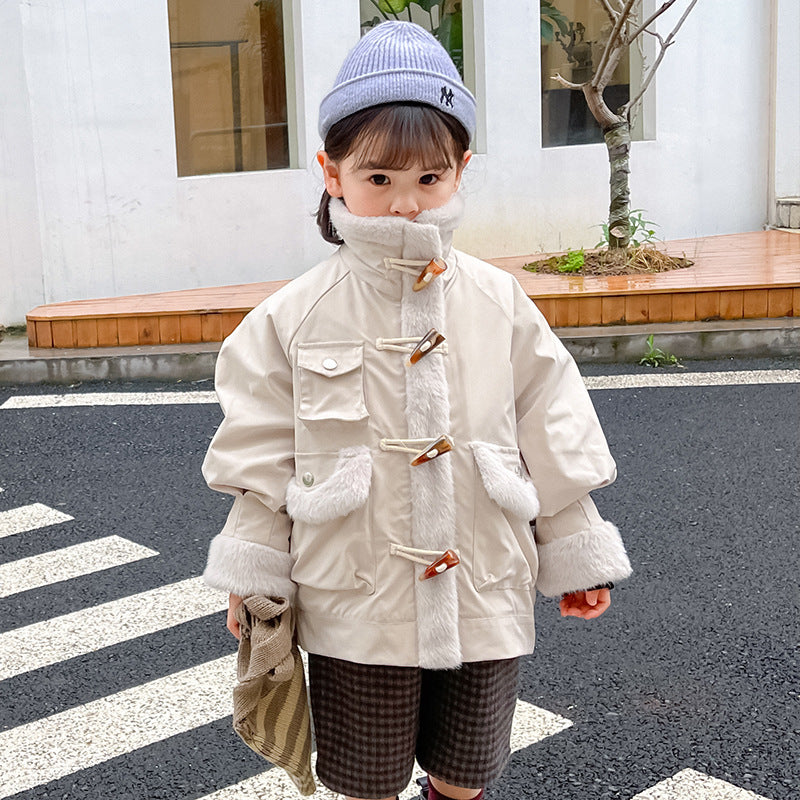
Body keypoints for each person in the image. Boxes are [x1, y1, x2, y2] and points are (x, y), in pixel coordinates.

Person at [202, 21, 632, 800]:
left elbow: (553, 422)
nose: (405, 204)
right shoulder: (292, 316)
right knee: (364, 782)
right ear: (332, 173)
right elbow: (259, 458)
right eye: (379, 179)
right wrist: (255, 578)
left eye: (429, 180)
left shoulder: (499, 300)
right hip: (355, 593)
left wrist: (575, 544)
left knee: (467, 773)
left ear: (461, 170)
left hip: (485, 577)